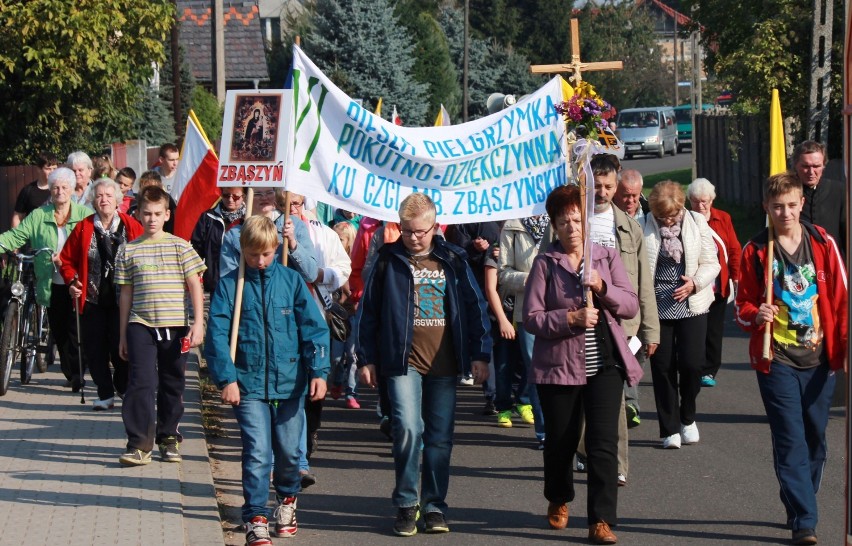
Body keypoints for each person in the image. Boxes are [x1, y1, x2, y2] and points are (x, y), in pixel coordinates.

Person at [357, 193, 491, 536]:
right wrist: (366, 358)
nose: (413, 238)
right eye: (406, 231)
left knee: (440, 437)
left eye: (420, 231)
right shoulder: (388, 259)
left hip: (444, 363)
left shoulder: (453, 259)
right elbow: (368, 312)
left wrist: (480, 353)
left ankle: (434, 505)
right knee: (407, 428)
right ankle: (405, 503)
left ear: (435, 226)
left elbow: (475, 306)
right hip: (403, 362)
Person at [523, 184, 640, 545]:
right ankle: (558, 497)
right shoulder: (545, 263)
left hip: (604, 364)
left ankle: (601, 520)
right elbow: (531, 317)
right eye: (564, 221)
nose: (572, 227)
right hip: (558, 368)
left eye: (577, 219)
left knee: (603, 443)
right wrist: (570, 319)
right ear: (554, 226)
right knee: (561, 440)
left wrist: (602, 286)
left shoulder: (605, 256)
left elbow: (631, 304)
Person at [735, 172, 847, 546]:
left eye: (791, 205)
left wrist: (842, 349)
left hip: (818, 359)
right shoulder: (756, 250)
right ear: (766, 207)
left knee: (815, 438)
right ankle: (805, 519)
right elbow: (742, 305)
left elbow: (842, 299)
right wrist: (756, 314)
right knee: (790, 439)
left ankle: (799, 498)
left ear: (802, 204)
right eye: (777, 206)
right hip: (777, 359)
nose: (785, 213)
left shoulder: (822, 242)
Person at [205, 215, 330, 545]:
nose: (260, 261)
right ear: (242, 250)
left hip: (290, 383)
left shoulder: (291, 281)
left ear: (276, 248)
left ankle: (287, 499)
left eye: (266, 254)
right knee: (258, 451)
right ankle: (255, 516)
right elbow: (217, 335)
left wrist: (319, 371)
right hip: (247, 383)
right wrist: (226, 379)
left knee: (289, 453)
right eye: (252, 255)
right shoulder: (232, 285)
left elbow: (314, 329)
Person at [578, 154, 658, 490]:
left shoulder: (629, 227)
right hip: (581, 320)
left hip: (620, 324)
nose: (603, 192)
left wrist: (650, 328)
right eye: (598, 185)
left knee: (616, 398)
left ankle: (618, 464)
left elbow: (642, 282)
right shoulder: (573, 222)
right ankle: (584, 452)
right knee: (581, 394)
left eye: (609, 186)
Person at [115, 186, 205, 466]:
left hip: (176, 325)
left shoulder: (181, 246)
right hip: (140, 324)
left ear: (167, 214)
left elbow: (194, 286)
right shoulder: (128, 250)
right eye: (146, 213)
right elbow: (126, 294)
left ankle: (168, 437)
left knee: (172, 382)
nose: (152, 219)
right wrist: (123, 335)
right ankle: (139, 443)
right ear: (138, 214)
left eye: (157, 213)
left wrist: (198, 323)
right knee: (140, 382)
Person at [642, 181, 720, 449]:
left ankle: (688, 416)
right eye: (661, 216)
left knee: (692, 364)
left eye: (672, 215)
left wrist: (695, 283)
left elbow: (712, 263)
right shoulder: (643, 225)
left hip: (692, 303)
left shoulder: (697, 222)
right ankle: (669, 429)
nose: (667, 221)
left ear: (681, 207)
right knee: (662, 368)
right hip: (657, 306)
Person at [0, 167, 92, 389]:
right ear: (50, 190)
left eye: (64, 187)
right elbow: (16, 235)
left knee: (76, 329)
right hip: (50, 280)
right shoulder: (39, 216)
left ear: (72, 190)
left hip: (76, 280)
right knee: (59, 330)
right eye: (55, 187)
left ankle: (78, 372)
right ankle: (71, 373)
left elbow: (92, 246)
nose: (59, 191)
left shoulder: (84, 215)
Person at [59, 178, 143, 409]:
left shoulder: (131, 226)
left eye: (108, 195)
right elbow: (66, 261)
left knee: (121, 346)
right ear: (93, 201)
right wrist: (71, 281)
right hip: (92, 299)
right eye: (99, 196)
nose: (104, 199)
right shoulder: (83, 227)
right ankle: (105, 393)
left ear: (117, 200)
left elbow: (144, 256)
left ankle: (123, 386)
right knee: (94, 348)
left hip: (123, 301)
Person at [686, 178, 742, 387]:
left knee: (714, 330)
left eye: (705, 201)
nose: (700, 206)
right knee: (694, 330)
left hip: (719, 285)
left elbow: (734, 249)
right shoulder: (685, 220)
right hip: (695, 287)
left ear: (712, 200)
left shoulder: (723, 218)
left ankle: (709, 370)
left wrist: (735, 277)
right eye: (695, 201)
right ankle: (692, 366)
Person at [499, 214, 548, 445]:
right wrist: (530, 279)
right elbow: (503, 273)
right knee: (536, 370)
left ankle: (565, 430)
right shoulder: (513, 224)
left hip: (561, 308)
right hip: (527, 311)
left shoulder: (562, 218)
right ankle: (544, 432)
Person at [793, 140, 845, 254]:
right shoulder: (786, 192)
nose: (811, 172)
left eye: (816, 166)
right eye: (805, 166)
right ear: (796, 165)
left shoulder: (839, 191)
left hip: (830, 261)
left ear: (823, 166)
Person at [190, 187, 246, 293]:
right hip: (216, 282)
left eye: (235, 197)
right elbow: (196, 250)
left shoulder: (249, 218)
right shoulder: (207, 217)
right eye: (226, 195)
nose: (230, 199)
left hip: (243, 280)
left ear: (243, 196)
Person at [11, 152, 57, 228]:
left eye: (54, 168)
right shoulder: (28, 190)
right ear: (39, 169)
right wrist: (15, 238)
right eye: (48, 169)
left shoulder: (62, 189)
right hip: (34, 237)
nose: (52, 172)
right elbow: (17, 217)